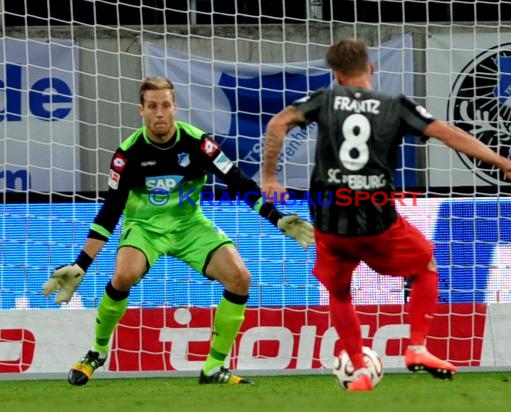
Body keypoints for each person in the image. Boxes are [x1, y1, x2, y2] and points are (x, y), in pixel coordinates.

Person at [262, 38, 511, 391]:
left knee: (339, 292)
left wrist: (270, 177)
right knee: (425, 266)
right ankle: (417, 348)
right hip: (377, 222)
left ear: (336, 75)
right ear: (371, 69)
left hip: (330, 223)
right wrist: (503, 163)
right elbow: (448, 134)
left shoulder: (324, 99)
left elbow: (277, 124)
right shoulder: (393, 105)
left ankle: (359, 369)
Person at [42, 76, 314, 386]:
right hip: (144, 227)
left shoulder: (199, 143)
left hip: (189, 226)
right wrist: (81, 264)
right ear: (141, 111)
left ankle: (213, 368)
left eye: (166, 105)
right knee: (123, 276)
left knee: (240, 278)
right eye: (153, 106)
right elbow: (111, 210)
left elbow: (239, 182)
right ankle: (98, 351)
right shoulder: (127, 155)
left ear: (175, 108)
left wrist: (276, 218)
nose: (160, 113)